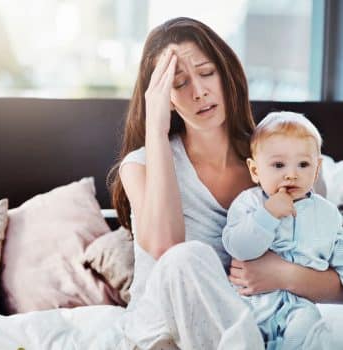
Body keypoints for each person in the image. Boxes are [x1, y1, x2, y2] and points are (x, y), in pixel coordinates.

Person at [108, 17, 343, 349]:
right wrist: (156, 131)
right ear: (165, 98)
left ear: (226, 72)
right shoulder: (141, 165)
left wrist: (282, 275)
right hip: (165, 334)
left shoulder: (281, 163)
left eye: (206, 73)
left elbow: (334, 277)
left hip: (257, 330)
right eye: (179, 83)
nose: (199, 92)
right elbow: (165, 247)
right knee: (184, 258)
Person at [222, 111, 343, 349]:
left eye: (303, 164)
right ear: (255, 171)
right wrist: (267, 215)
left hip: (300, 307)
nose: (291, 174)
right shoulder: (250, 204)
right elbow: (236, 246)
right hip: (251, 303)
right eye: (278, 165)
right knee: (235, 335)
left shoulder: (329, 215)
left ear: (316, 170)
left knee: (310, 332)